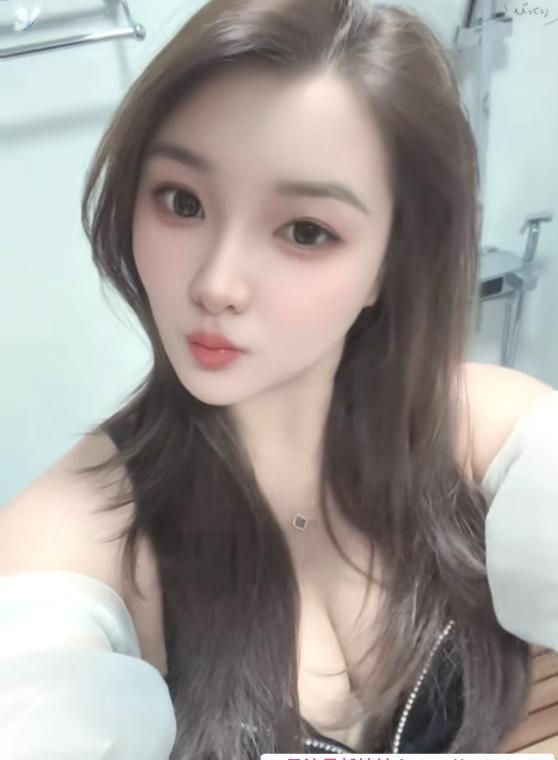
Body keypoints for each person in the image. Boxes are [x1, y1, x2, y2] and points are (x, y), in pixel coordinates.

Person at [1, 1, 557, 758]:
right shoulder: (71, 540)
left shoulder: (481, 429)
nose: (216, 283)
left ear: (391, 263)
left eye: (305, 231)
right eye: (182, 201)